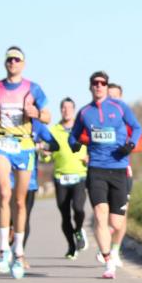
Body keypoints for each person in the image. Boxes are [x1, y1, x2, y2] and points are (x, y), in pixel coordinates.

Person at [70, 71, 142, 279]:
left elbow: (137, 127)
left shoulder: (120, 107)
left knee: (117, 222)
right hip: (96, 169)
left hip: (119, 168)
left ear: (106, 86)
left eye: (102, 83)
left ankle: (111, 247)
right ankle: (108, 262)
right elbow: (73, 135)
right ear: (90, 87)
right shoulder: (84, 112)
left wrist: (130, 145)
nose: (99, 86)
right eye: (95, 83)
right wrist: (74, 144)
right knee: (100, 214)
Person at [0, 46, 50, 279]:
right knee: (5, 193)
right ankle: (4, 250)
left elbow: (47, 117)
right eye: (9, 59)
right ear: (5, 63)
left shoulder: (33, 88)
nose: (13, 62)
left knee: (20, 202)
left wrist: (35, 113)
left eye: (17, 59)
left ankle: (19, 252)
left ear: (23, 64)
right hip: (3, 143)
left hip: (24, 147)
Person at [45, 99, 89, 259]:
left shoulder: (81, 128)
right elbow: (47, 157)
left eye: (69, 107)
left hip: (79, 175)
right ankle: (71, 246)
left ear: (74, 110)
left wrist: (90, 156)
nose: (66, 110)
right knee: (64, 215)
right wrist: (45, 155)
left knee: (78, 208)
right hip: (60, 177)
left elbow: (91, 145)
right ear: (60, 110)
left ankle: (78, 230)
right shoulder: (53, 131)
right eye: (63, 107)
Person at [106, 82, 134, 249]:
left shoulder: (126, 119)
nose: (112, 100)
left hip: (123, 171)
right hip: (100, 171)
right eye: (110, 97)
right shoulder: (97, 117)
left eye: (115, 96)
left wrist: (127, 146)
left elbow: (139, 141)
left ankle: (115, 250)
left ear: (121, 98)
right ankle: (105, 244)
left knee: (121, 214)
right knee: (103, 213)